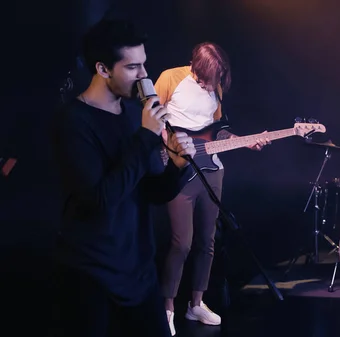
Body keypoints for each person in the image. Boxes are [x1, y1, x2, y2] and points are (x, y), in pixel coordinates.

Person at [51, 19, 196, 337]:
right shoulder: (74, 122)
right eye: (133, 67)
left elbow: (152, 192)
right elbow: (98, 200)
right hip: (91, 273)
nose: (145, 75)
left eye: (144, 64)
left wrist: (177, 165)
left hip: (138, 271)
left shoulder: (134, 115)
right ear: (103, 69)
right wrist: (145, 137)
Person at [154, 42, 270, 334]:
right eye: (207, 79)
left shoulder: (215, 88)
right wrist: (166, 149)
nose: (211, 86)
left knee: (208, 241)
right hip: (179, 170)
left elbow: (218, 130)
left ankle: (196, 303)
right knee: (182, 243)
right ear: (196, 67)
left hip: (213, 170)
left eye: (216, 80)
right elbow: (150, 118)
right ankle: (166, 309)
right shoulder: (170, 78)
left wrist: (245, 140)